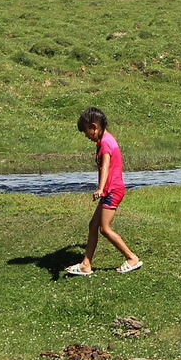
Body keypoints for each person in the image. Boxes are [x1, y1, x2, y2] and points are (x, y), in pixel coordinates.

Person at [65, 107, 141, 276]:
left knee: (105, 229)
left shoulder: (106, 143)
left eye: (87, 132)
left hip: (112, 190)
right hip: (110, 190)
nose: (86, 136)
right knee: (93, 225)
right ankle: (86, 264)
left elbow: (105, 165)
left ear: (94, 127)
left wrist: (100, 188)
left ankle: (132, 258)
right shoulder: (106, 139)